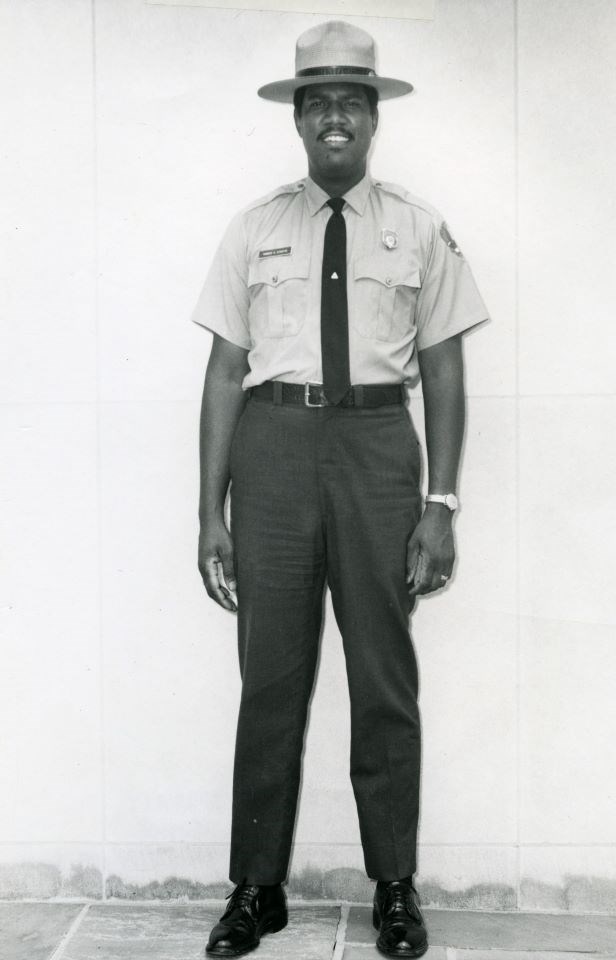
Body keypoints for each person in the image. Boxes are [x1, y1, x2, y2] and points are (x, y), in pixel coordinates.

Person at [192, 20, 488, 959]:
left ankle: (393, 887)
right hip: (272, 448)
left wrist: (442, 503)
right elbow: (222, 372)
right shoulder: (254, 228)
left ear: (372, 116)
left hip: (375, 445)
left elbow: (442, 370)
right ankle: (256, 889)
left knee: (382, 678)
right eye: (315, 101)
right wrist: (211, 511)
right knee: (269, 679)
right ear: (297, 118)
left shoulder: (418, 225)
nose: (333, 116)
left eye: (349, 101)